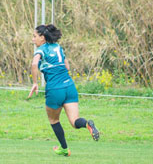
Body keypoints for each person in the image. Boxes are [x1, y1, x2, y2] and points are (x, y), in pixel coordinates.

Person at [28, 24, 100, 156]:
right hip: (69, 86)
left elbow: (34, 64)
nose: (32, 39)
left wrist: (34, 82)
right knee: (74, 121)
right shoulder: (58, 47)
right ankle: (87, 124)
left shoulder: (41, 49)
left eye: (34, 36)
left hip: (55, 89)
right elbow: (66, 66)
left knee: (54, 120)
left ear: (42, 38)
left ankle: (64, 148)